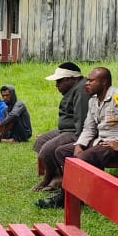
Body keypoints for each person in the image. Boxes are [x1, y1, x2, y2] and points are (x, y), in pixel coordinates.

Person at [37, 66, 118, 208]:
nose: (87, 83)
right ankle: (81, 193)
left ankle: (65, 197)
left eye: (91, 81)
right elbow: (89, 127)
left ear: (104, 82)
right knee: (62, 152)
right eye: (87, 80)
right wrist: (79, 144)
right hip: (100, 143)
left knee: (82, 159)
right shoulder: (93, 100)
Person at [32, 62, 87, 191]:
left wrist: (81, 141)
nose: (57, 85)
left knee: (47, 150)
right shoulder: (73, 89)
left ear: (72, 79)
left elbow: (82, 120)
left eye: (60, 81)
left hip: (75, 131)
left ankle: (48, 178)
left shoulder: (81, 92)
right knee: (41, 141)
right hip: (65, 129)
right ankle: (57, 175)